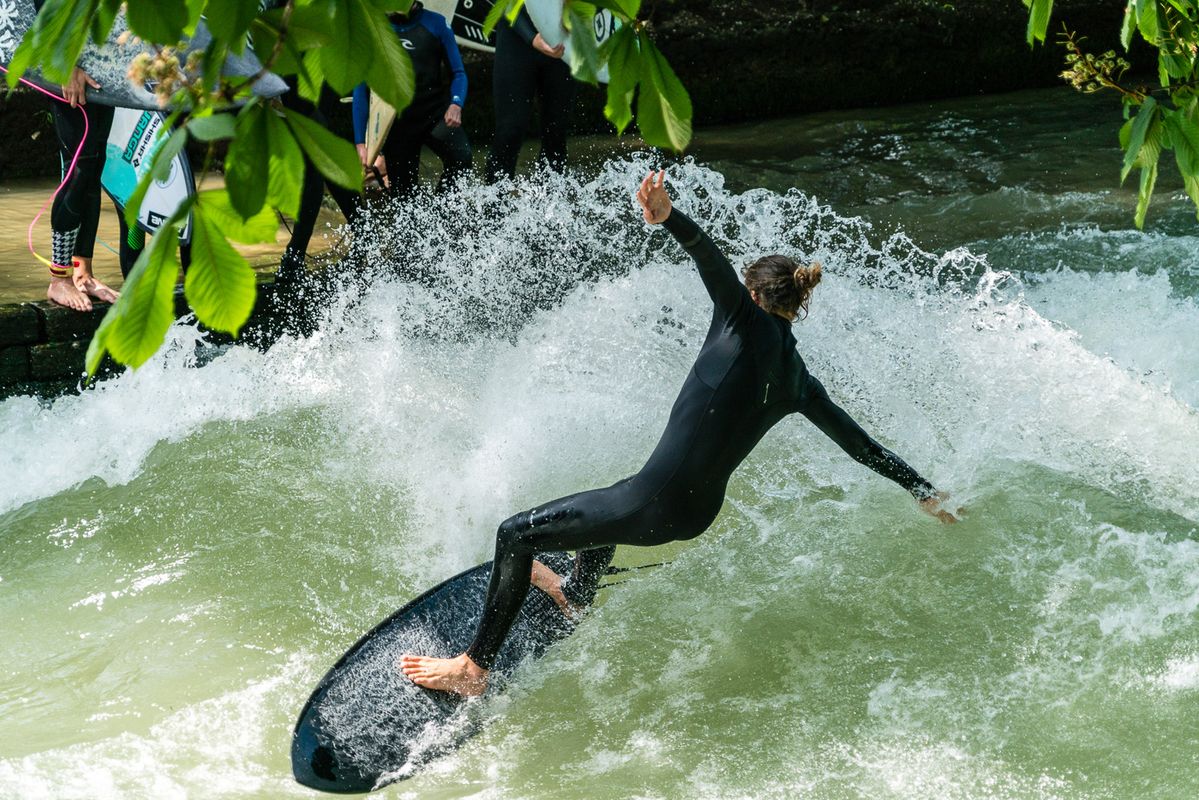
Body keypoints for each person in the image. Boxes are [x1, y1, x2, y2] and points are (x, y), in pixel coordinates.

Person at [399, 170, 959, 696]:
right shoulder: (799, 382)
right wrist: (923, 492)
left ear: (756, 295)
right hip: (694, 515)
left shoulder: (740, 318)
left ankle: (473, 668)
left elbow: (707, 258)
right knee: (617, 495)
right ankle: (574, 595)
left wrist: (668, 215)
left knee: (514, 534)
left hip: (654, 503)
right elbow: (862, 447)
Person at [351, 2, 471, 197]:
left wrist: (456, 104)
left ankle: (440, 209)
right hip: (397, 124)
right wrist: (360, 143)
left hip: (434, 114)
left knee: (461, 159)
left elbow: (458, 73)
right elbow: (360, 90)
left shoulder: (436, 24)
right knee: (403, 197)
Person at [43, 65, 120, 311]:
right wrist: (69, 63)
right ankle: (59, 278)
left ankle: (82, 274)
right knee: (79, 169)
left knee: (94, 166)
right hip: (65, 61)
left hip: (101, 66)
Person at [483, 5, 574, 182]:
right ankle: (494, 206)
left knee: (556, 132)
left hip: (562, 41)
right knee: (510, 130)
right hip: (516, 39)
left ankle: (550, 206)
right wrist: (532, 38)